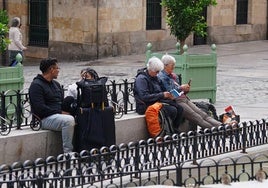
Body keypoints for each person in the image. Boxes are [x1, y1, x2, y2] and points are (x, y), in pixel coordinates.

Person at [158, 54, 223, 130]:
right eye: (172, 65)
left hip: (183, 98)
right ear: (165, 65)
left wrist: (185, 90)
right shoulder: (162, 77)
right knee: (197, 117)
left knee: (202, 114)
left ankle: (221, 126)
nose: (173, 67)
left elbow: (178, 90)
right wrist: (181, 88)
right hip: (177, 101)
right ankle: (217, 130)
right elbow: (171, 93)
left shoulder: (173, 76)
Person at [29, 58, 75, 153]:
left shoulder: (56, 84)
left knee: (81, 115)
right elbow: (40, 108)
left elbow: (61, 103)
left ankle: (82, 148)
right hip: (43, 119)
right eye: (57, 68)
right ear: (51, 69)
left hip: (58, 116)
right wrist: (60, 112)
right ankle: (68, 153)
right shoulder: (36, 85)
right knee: (68, 120)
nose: (58, 71)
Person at [134, 56, 183, 128]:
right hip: (146, 104)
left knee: (180, 108)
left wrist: (169, 94)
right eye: (156, 72)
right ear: (151, 70)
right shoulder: (141, 79)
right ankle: (168, 130)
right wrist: (162, 95)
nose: (157, 74)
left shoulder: (155, 77)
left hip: (157, 101)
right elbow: (144, 97)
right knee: (172, 110)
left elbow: (162, 89)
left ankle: (174, 129)